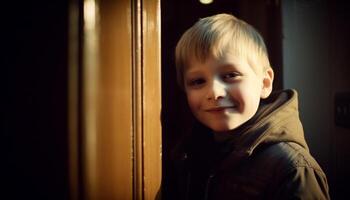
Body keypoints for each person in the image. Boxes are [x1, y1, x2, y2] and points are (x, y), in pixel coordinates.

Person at [164, 13, 330, 200]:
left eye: (230, 75)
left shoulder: (291, 169)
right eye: (198, 81)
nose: (214, 92)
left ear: (265, 83)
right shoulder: (185, 155)